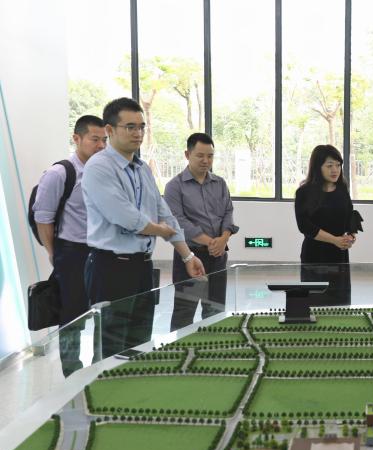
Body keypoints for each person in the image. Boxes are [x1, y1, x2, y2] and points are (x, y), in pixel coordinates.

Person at [82, 97, 206, 359]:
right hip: (110, 268)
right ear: (110, 130)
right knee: (111, 346)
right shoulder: (99, 167)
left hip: (142, 267)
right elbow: (125, 217)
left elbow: (165, 213)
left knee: (139, 342)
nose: (137, 133)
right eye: (130, 127)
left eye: (141, 127)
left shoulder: (142, 170)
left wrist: (188, 256)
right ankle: (104, 385)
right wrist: (159, 230)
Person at [33, 114, 107, 375]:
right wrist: (54, 254)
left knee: (104, 312)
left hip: (103, 251)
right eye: (95, 139)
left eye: (104, 140)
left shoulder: (106, 173)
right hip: (73, 253)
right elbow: (43, 218)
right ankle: (72, 374)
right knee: (72, 318)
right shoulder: (60, 173)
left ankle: (101, 369)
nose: (101, 145)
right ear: (77, 138)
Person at [163, 132, 238, 331]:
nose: (206, 161)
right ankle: (180, 349)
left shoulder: (220, 183)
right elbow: (178, 222)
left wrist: (223, 239)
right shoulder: (174, 187)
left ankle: (212, 348)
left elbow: (228, 212)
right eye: (200, 155)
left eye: (210, 156)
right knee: (184, 312)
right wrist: (210, 242)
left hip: (218, 256)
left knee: (215, 311)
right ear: (187, 155)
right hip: (190, 257)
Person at [294, 144, 357, 306]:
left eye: (338, 165)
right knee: (315, 304)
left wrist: (351, 236)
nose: (335, 170)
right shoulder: (304, 192)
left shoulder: (342, 190)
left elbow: (351, 217)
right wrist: (334, 240)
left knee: (340, 305)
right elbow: (304, 226)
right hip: (314, 257)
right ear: (317, 167)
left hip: (339, 257)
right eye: (329, 166)